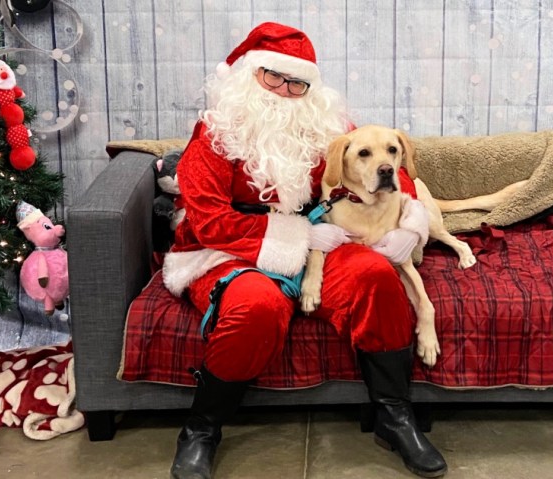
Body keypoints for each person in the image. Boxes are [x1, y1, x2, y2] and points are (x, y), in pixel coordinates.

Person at [163, 22, 447, 479]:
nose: (284, 91)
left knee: (376, 277)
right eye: (272, 77)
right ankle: (201, 430)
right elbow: (210, 221)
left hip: (324, 243)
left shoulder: (324, 128)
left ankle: (393, 417)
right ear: (247, 77)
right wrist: (295, 237)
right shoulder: (213, 136)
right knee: (253, 307)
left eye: (297, 82)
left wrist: (411, 224)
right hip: (227, 250)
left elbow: (386, 166)